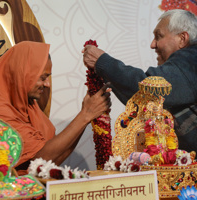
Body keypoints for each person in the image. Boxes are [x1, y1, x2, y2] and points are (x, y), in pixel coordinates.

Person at [82, 9, 197, 154]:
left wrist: (103, 63)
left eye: (158, 36)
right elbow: (140, 101)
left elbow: (148, 88)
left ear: (182, 39)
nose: (153, 44)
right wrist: (105, 73)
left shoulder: (191, 60)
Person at [0, 41, 111, 174]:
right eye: (42, 78)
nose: (47, 85)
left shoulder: (28, 105)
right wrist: (86, 114)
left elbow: (53, 159)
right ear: (22, 74)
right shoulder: (0, 110)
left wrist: (86, 114)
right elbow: (41, 159)